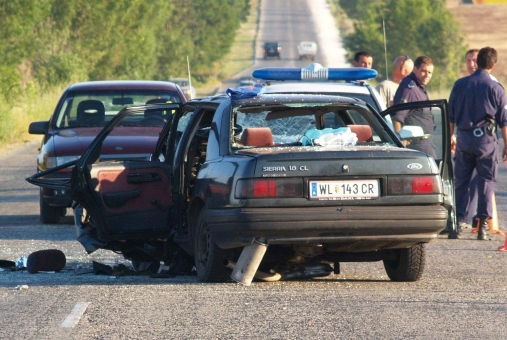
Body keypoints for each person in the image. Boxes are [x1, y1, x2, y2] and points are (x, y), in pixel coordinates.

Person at [449, 46, 507, 240]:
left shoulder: (460, 84)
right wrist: (506, 145)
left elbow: (450, 116)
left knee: (461, 182)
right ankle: (481, 227)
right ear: (493, 64)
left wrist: (450, 137)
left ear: (478, 61)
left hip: (464, 138)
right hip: (486, 141)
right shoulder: (496, 87)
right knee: (486, 182)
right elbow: (504, 121)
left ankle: (456, 223)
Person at [391, 56, 436, 158]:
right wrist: (400, 141)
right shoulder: (409, 88)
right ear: (415, 69)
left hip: (424, 142)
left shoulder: (419, 86)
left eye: (430, 72)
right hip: (416, 145)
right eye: (423, 71)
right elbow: (397, 117)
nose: (427, 75)